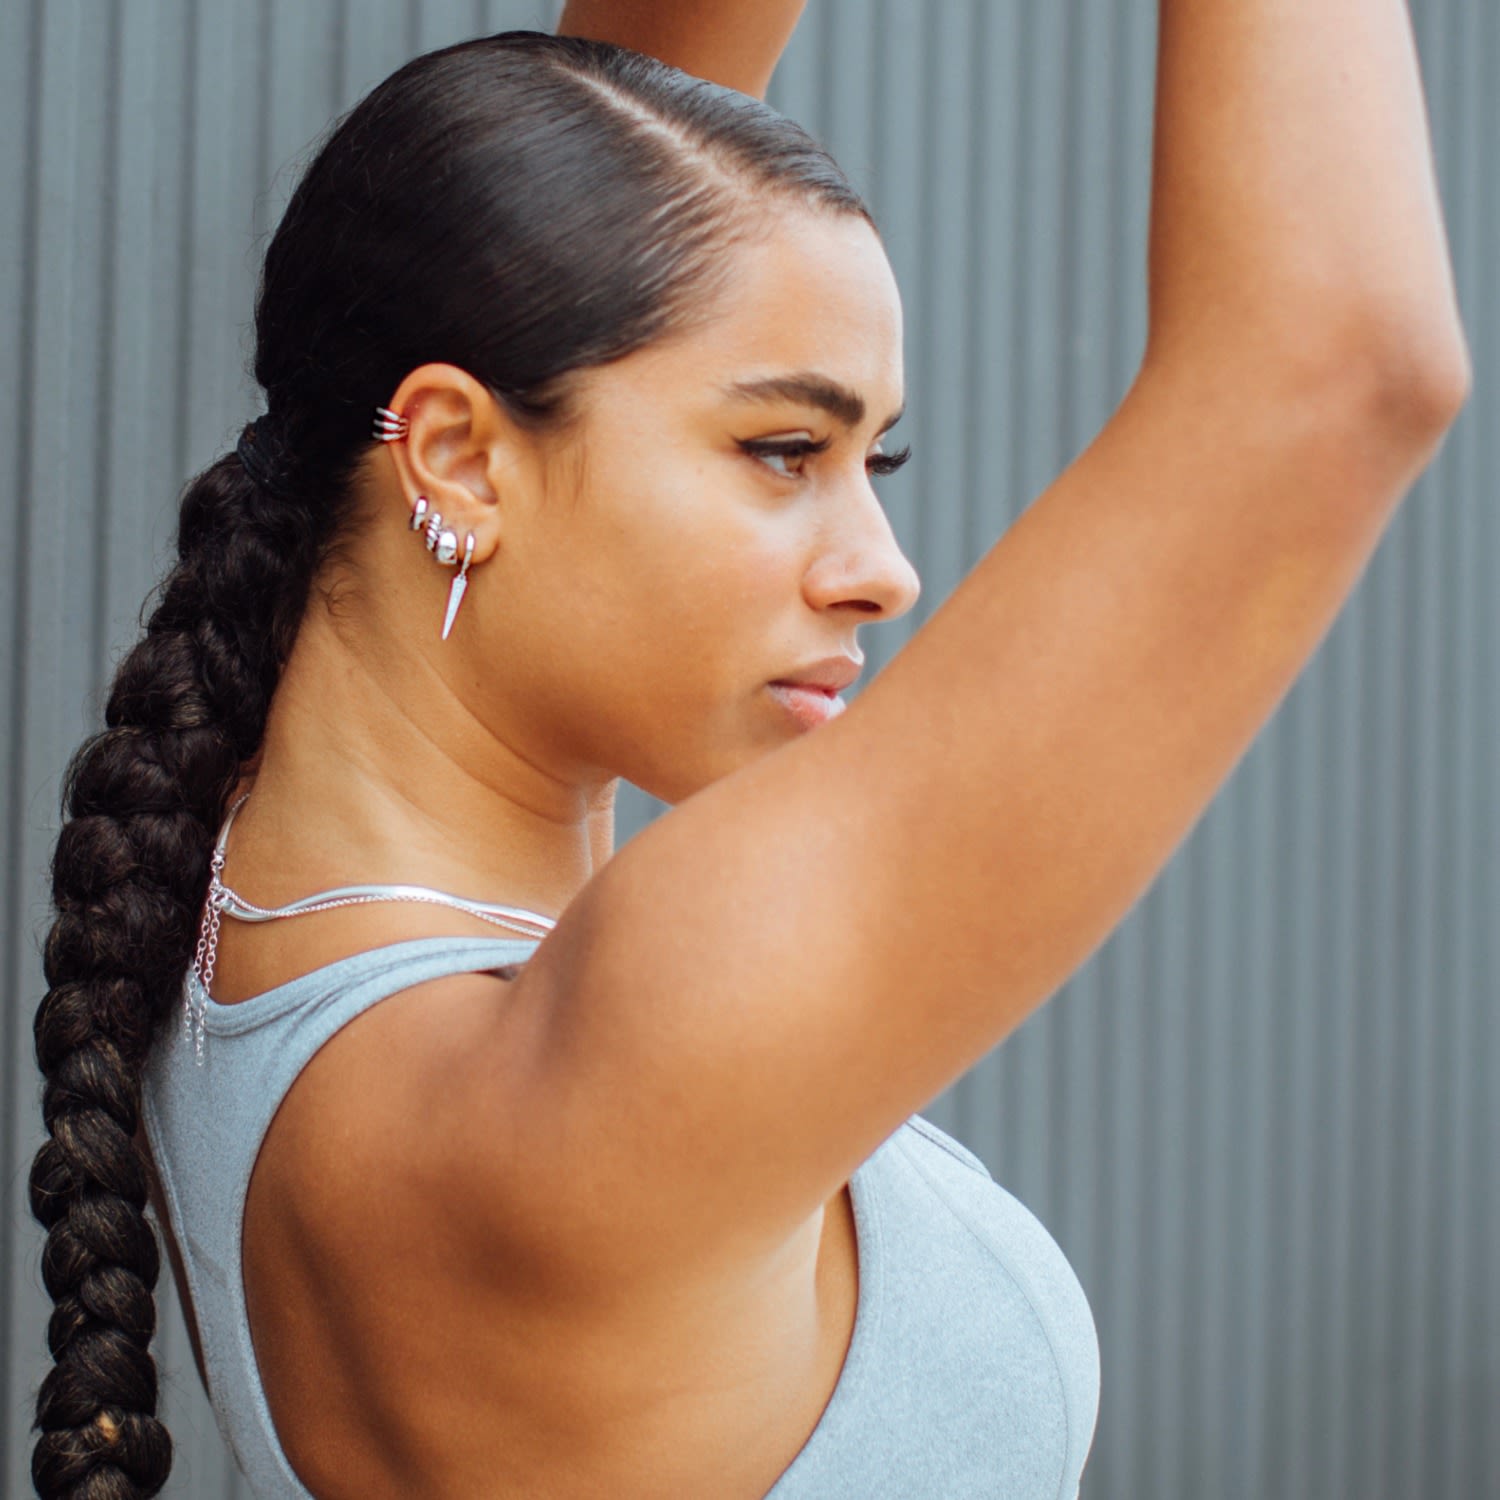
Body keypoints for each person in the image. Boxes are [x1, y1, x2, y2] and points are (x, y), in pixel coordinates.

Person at [27, 0, 1470, 1495]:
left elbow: (603, 176)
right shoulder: (603, 1064)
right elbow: (1337, 366)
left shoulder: (249, 897)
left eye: (873, 457)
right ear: (456, 456)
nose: (885, 570)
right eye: (787, 451)